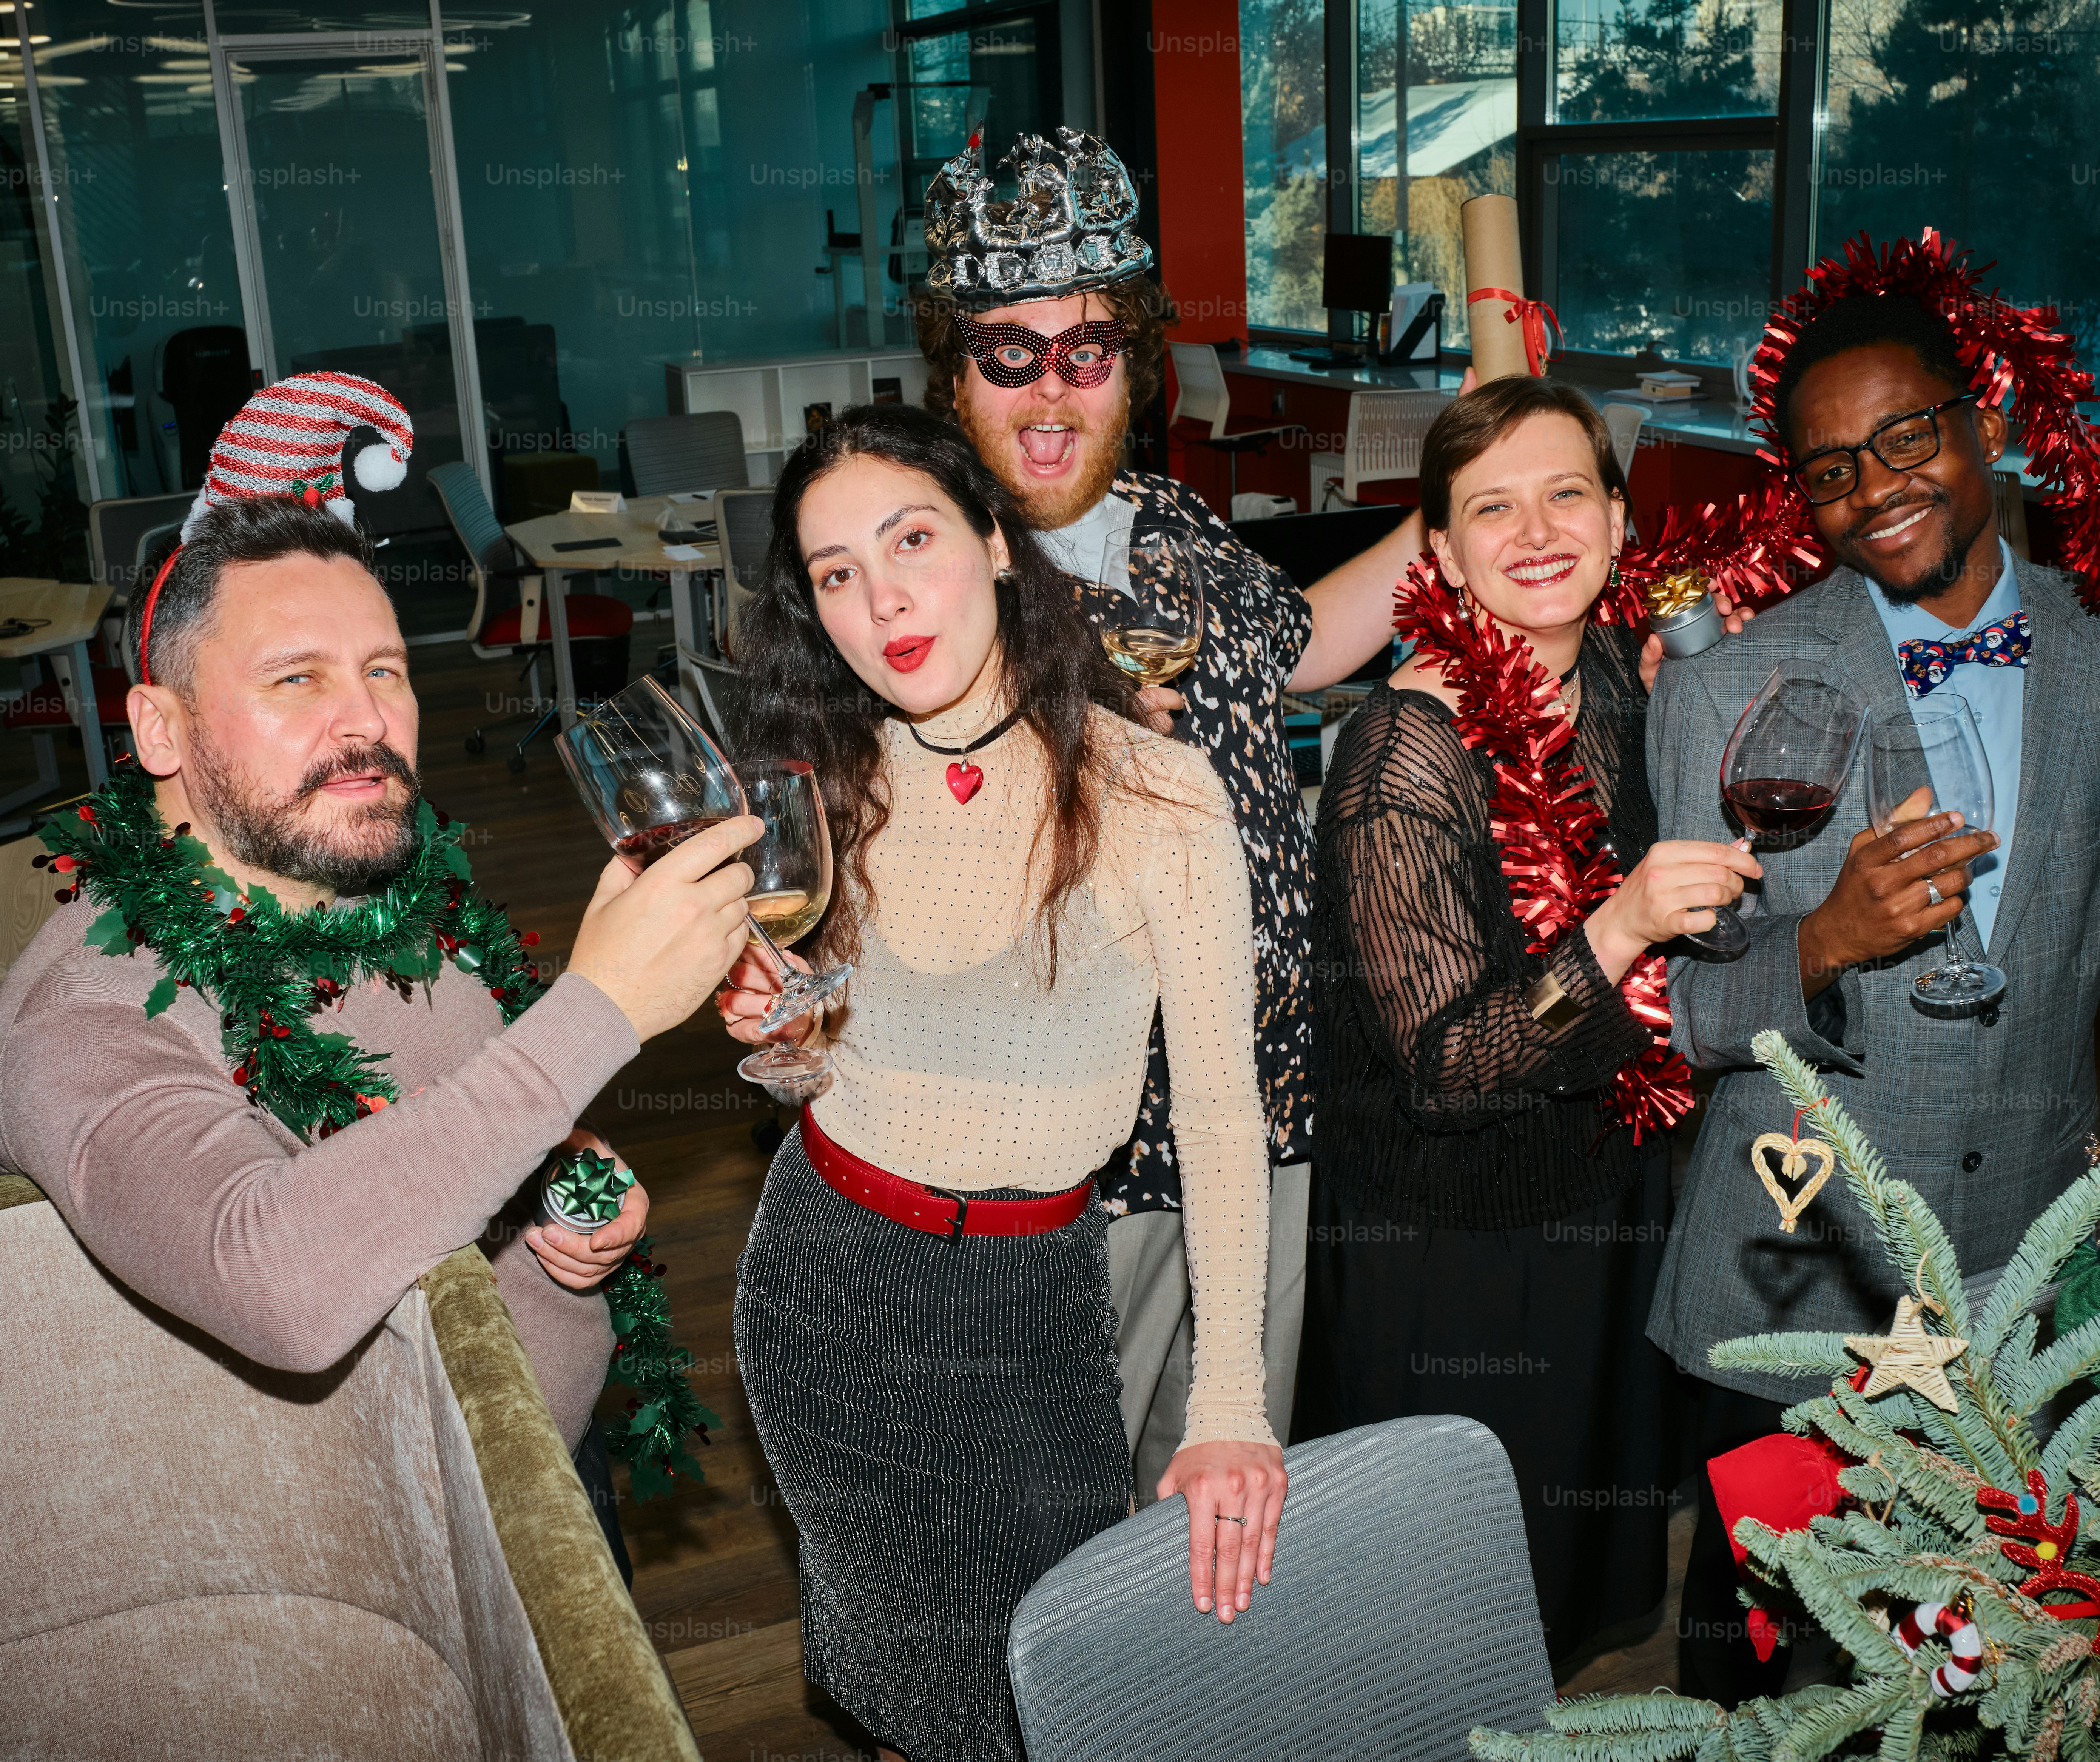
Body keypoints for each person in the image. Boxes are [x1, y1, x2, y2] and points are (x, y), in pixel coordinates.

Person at [1645, 281, 2100, 1700]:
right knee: (1762, 1661)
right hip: (1802, 1255)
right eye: (1829, 469)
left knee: (1997, 1645)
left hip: (2026, 1252)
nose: (1876, 488)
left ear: (1986, 424)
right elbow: (1690, 1017)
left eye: (1906, 438)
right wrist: (1826, 940)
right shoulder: (1724, 693)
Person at [716, 405, 1281, 1762]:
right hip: (825, 1287)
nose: (883, 599)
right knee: (912, 1698)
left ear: (998, 543)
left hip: (1030, 1305)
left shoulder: (1157, 791)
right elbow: (834, 1051)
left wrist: (1230, 1408)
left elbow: (1217, 1117)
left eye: (912, 540)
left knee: (1057, 1692)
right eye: (837, 573)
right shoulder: (827, 775)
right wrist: (785, 1037)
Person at [0, 493, 760, 1474]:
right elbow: (278, 1283)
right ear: (160, 729)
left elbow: (456, 1117)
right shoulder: (84, 1018)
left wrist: (561, 1176)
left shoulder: (384, 886)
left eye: (383, 670)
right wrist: (595, 1012)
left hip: (550, 1467)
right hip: (384, 1561)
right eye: (296, 677)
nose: (366, 717)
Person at [912, 125, 1428, 1502]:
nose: (1048, 392)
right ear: (950, 371)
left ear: (1135, 362)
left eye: (1085, 350)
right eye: (1005, 353)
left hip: (1259, 1117)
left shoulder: (1166, 520)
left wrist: (1470, 512)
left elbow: (1302, 639)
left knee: (1219, 1494)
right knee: (1056, 1517)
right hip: (1084, 1166)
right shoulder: (931, 580)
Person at [1304, 376, 1758, 1664]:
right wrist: (1617, 930)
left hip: (1603, 1194)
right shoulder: (1401, 754)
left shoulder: (1626, 669)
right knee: (1439, 1600)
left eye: (1567, 492)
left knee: (1562, 1569)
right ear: (1440, 552)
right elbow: (1449, 1067)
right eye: (1490, 508)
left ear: (1618, 519)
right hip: (1448, 1245)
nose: (1538, 529)